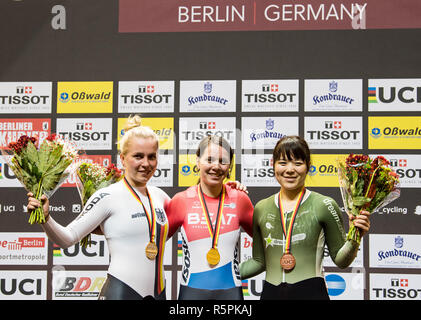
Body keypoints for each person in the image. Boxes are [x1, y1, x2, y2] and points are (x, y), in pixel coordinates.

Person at [27, 115, 170, 300]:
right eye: (138, 156)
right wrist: (46, 218)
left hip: (159, 294)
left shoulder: (161, 197)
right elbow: (67, 239)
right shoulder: (107, 196)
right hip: (122, 293)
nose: (146, 163)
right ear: (123, 159)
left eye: (152, 157)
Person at [240, 135, 370, 300]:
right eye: (282, 162)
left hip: (311, 293)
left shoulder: (324, 204)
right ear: (273, 165)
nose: (290, 169)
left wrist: (355, 237)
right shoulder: (261, 207)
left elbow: (341, 261)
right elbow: (259, 262)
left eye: (298, 163)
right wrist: (223, 276)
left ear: (308, 166)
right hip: (270, 294)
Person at [166, 135, 254, 300]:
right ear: (198, 161)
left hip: (231, 293)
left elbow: (267, 242)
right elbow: (153, 241)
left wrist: (241, 270)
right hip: (191, 293)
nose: (216, 166)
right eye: (210, 160)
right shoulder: (181, 200)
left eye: (223, 161)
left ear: (230, 166)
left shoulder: (240, 199)